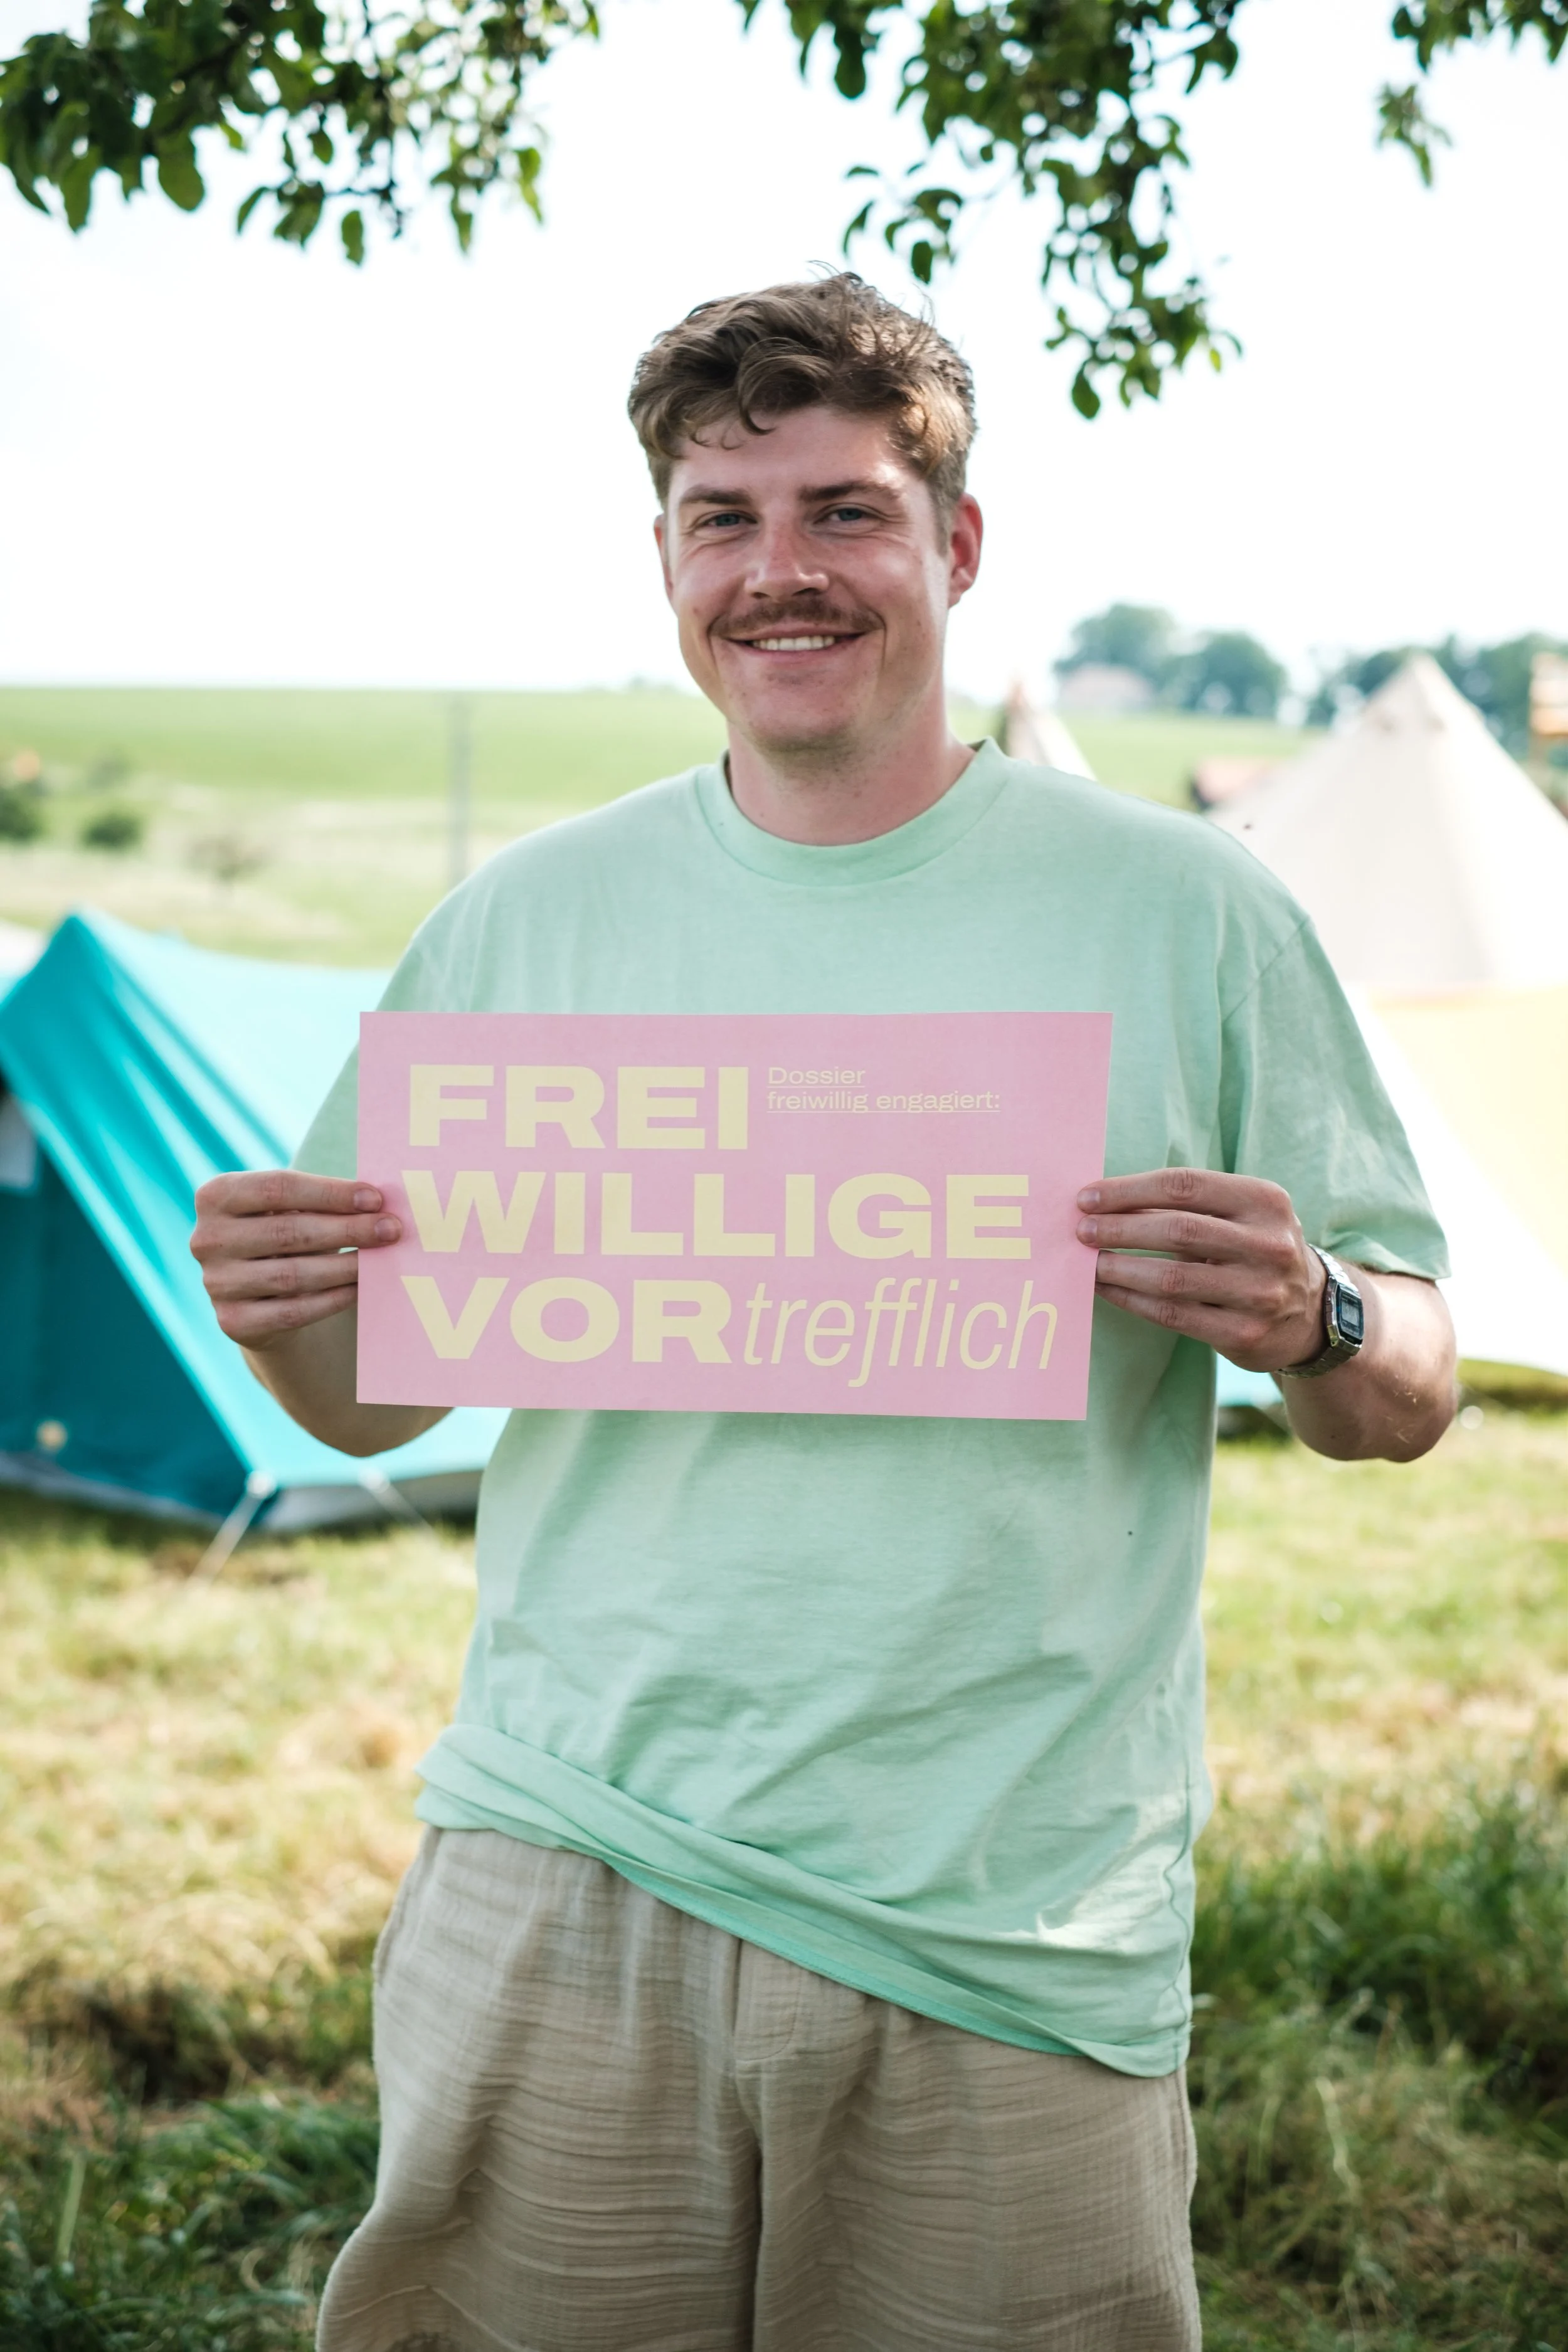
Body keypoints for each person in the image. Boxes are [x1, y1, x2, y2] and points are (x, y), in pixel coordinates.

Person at [190, 274, 1456, 2352]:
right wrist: (272, 1315)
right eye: (724, 518)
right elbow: (357, 1407)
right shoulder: (522, 921)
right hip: (565, 1863)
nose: (779, 570)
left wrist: (1316, 1313)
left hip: (1007, 1908)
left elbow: (1403, 1389)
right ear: (666, 561)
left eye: (844, 511)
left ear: (957, 545)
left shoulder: (1190, 908)